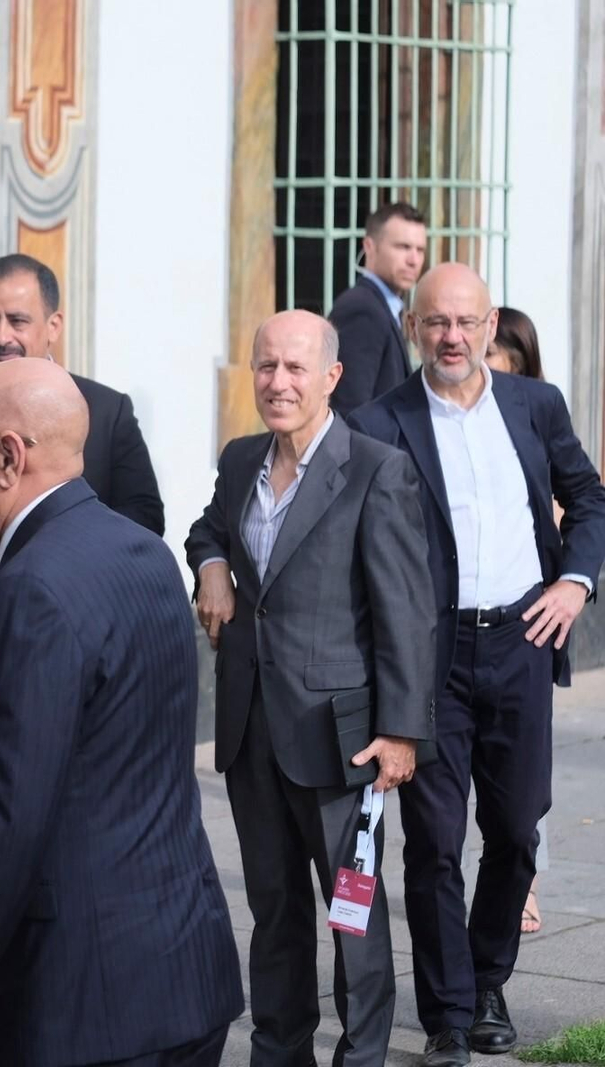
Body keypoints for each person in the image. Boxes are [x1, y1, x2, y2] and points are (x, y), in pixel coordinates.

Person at [0, 359, 242, 1067]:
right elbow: (35, 750)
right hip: (182, 976)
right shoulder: (143, 554)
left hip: (78, 1004)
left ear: (8, 457)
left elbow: (5, 824)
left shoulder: (32, 586)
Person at [349, 264, 605, 1067]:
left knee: (518, 828)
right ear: (413, 329)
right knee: (431, 841)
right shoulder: (379, 421)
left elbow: (589, 497)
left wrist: (575, 580)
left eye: (465, 322)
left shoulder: (536, 405)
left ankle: (488, 974)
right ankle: (450, 1014)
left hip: (523, 639)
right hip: (429, 655)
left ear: (491, 324)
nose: (452, 337)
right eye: (435, 323)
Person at [186, 310, 435, 1067]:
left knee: (353, 914)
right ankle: (279, 1049)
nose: (277, 382)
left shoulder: (374, 467)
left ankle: (362, 1055)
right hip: (251, 727)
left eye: (296, 368)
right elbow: (206, 529)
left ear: (332, 377)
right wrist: (213, 568)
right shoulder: (239, 462)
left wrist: (401, 730)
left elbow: (407, 610)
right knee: (274, 911)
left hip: (342, 737)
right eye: (266, 366)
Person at [0, 253, 164, 536]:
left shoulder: (108, 411)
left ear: (53, 326)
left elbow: (144, 517)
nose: (1, 337)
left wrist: (55, 552)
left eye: (17, 320)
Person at [483, 307, 550, 934]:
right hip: (461, 627)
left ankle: (521, 883)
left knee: (522, 789)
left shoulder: (536, 414)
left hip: (527, 618)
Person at [328, 202, 427, 416]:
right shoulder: (362, 310)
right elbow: (350, 409)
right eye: (403, 247)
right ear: (369, 247)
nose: (414, 260)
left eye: (420, 250)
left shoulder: (382, 306)